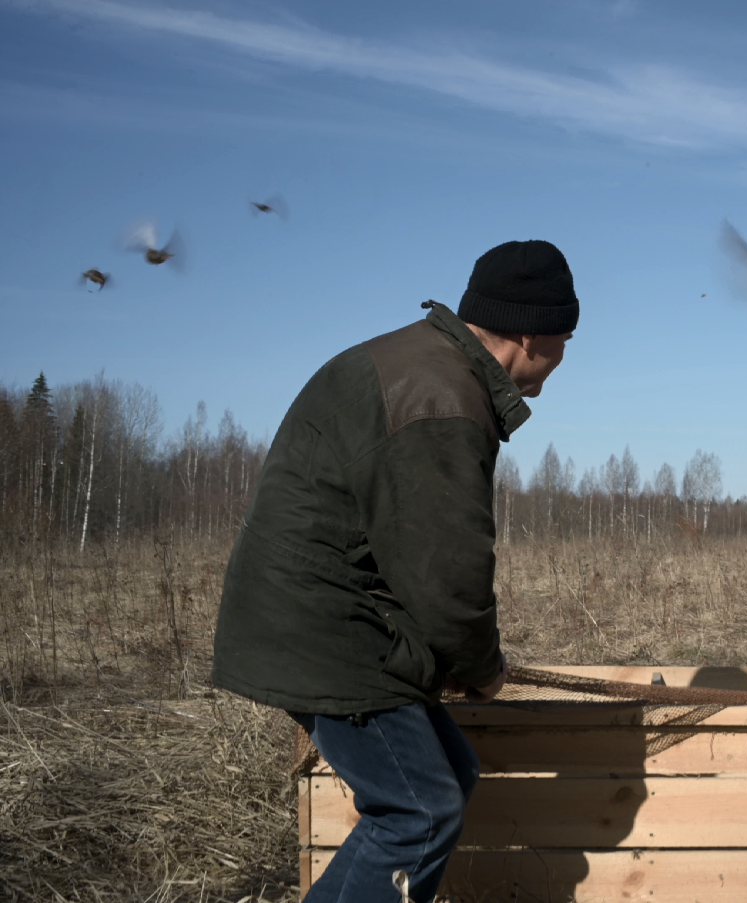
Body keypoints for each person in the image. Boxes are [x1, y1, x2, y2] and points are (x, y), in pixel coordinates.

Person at [211, 239, 578, 902]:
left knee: (449, 775)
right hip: (327, 627)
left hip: (327, 612)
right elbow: (448, 573)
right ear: (531, 333)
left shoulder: (429, 366)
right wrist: (483, 668)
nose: (564, 356)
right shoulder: (441, 399)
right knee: (419, 812)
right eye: (565, 337)